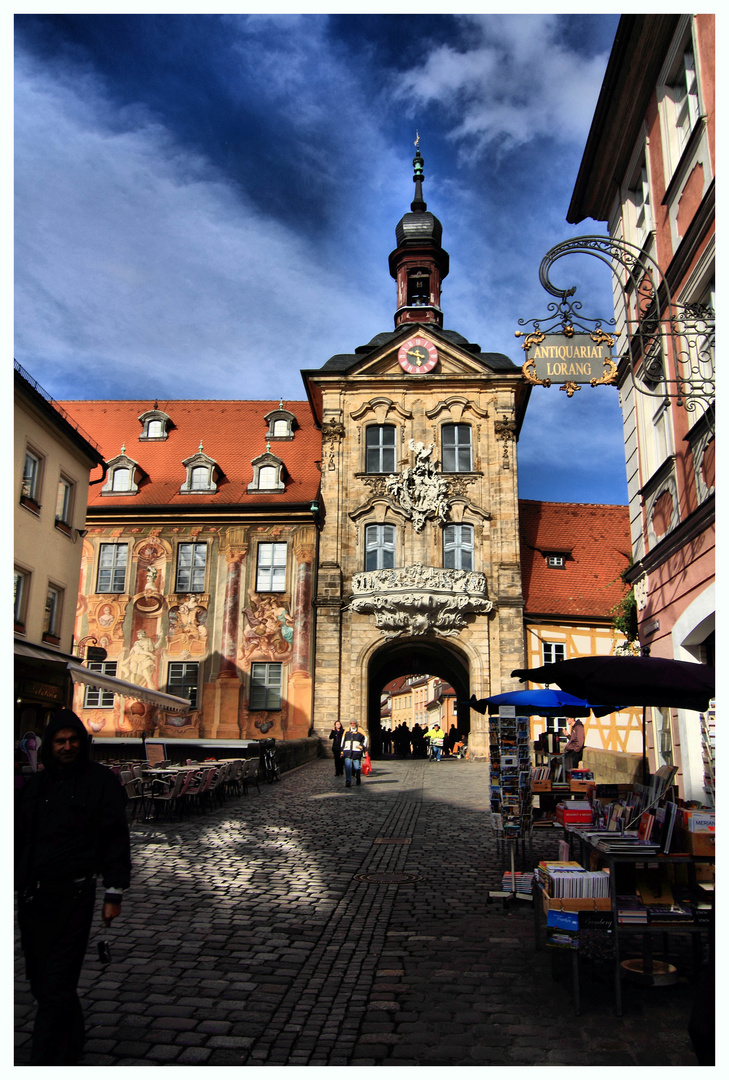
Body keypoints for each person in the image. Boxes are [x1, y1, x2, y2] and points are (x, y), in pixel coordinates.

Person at [15, 709, 131, 1064]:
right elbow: (20, 838)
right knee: (40, 981)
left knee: (57, 983)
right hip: (34, 897)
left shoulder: (101, 782)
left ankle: (45, 1060)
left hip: (76, 895)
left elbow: (115, 839)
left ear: (83, 743)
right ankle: (73, 1036)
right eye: (60, 741)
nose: (67, 747)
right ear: (50, 745)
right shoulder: (36, 785)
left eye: (73, 740)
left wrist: (114, 892)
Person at [340, 721, 367, 787]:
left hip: (356, 751)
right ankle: (348, 781)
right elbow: (343, 740)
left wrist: (362, 746)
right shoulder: (346, 730)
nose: (352, 724)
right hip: (347, 751)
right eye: (351, 723)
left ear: (356, 724)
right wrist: (341, 750)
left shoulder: (360, 730)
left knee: (357, 767)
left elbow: (366, 738)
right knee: (347, 767)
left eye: (354, 723)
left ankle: (358, 777)